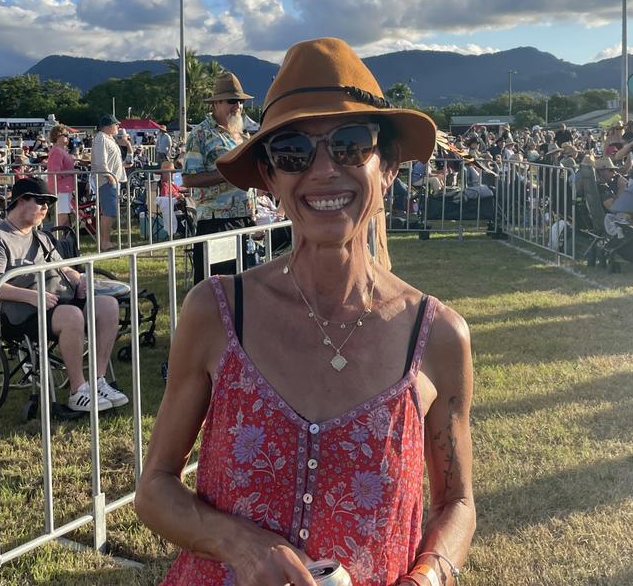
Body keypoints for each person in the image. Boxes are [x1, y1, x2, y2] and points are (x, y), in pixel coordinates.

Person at [137, 38, 474, 586]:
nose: (322, 172)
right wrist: (245, 548)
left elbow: (456, 502)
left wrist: (428, 577)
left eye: (348, 145)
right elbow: (155, 488)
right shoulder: (218, 313)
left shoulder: (435, 334)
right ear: (271, 178)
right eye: (293, 152)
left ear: (385, 166)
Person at [0, 177, 126, 416]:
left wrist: (79, 280)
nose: (46, 207)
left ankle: (98, 380)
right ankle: (78, 390)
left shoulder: (42, 236)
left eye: (49, 202)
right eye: (41, 201)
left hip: (57, 299)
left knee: (107, 305)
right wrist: (31, 296)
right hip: (20, 312)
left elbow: (64, 268)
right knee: (72, 315)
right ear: (20, 201)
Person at [183, 72, 257, 282]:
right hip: (217, 221)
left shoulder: (242, 135)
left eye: (241, 102)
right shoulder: (200, 134)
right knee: (218, 288)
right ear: (216, 103)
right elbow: (189, 179)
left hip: (244, 217)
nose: (238, 106)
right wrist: (229, 172)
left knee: (242, 285)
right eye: (232, 101)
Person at [92, 115, 127, 251]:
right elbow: (100, 161)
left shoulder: (109, 139)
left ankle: (106, 241)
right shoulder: (101, 138)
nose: (118, 127)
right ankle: (105, 243)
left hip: (113, 179)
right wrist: (108, 176)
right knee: (109, 212)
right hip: (107, 180)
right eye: (116, 124)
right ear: (108, 126)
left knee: (111, 212)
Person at [46, 125, 78, 228]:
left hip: (65, 188)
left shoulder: (60, 150)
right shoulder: (57, 151)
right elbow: (55, 172)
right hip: (60, 188)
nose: (68, 137)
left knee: (65, 215)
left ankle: (64, 240)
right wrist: (72, 172)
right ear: (58, 136)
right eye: (66, 135)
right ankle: (59, 241)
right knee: (62, 216)